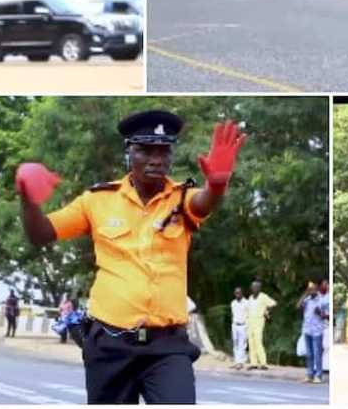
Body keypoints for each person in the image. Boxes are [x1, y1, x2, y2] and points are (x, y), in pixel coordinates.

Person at [15, 110, 247, 404]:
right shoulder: (97, 200)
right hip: (109, 344)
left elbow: (202, 203)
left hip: (167, 347)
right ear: (128, 153)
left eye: (163, 151)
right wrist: (27, 199)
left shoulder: (181, 199)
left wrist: (215, 185)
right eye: (145, 150)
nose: (156, 159)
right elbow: (41, 234)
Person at [298, 281, 328, 383]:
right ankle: (309, 375)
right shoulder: (307, 300)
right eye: (310, 289)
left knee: (317, 354)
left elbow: (328, 316)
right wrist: (305, 295)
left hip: (317, 331)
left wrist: (321, 313)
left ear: (317, 289)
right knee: (309, 354)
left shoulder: (322, 300)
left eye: (313, 289)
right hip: (307, 330)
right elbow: (298, 307)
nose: (311, 291)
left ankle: (318, 376)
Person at [246, 279, 277, 370]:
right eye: (253, 287)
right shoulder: (250, 297)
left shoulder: (263, 297)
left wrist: (267, 312)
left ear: (259, 288)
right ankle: (253, 363)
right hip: (250, 321)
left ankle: (263, 363)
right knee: (251, 342)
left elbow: (274, 304)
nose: (254, 288)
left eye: (256, 287)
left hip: (259, 321)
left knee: (258, 341)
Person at [229, 287, 249, 369]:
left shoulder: (246, 303)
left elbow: (249, 314)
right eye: (236, 293)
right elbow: (233, 314)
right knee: (235, 343)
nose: (237, 294)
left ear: (242, 293)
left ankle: (241, 362)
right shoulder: (233, 303)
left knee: (242, 344)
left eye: (239, 293)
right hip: (235, 325)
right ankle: (236, 361)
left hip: (243, 325)